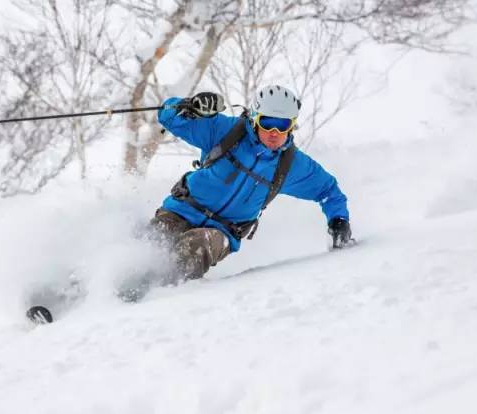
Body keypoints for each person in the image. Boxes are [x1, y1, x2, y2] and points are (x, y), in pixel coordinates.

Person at [149, 85, 352, 282]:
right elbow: (167, 116)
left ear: (292, 126)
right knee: (152, 243)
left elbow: (328, 190)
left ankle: (158, 296)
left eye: (282, 125)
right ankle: (125, 297)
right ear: (255, 118)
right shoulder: (224, 131)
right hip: (180, 211)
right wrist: (189, 106)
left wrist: (339, 220)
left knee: (195, 246)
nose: (274, 132)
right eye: (267, 122)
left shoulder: (290, 165)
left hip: (222, 232)